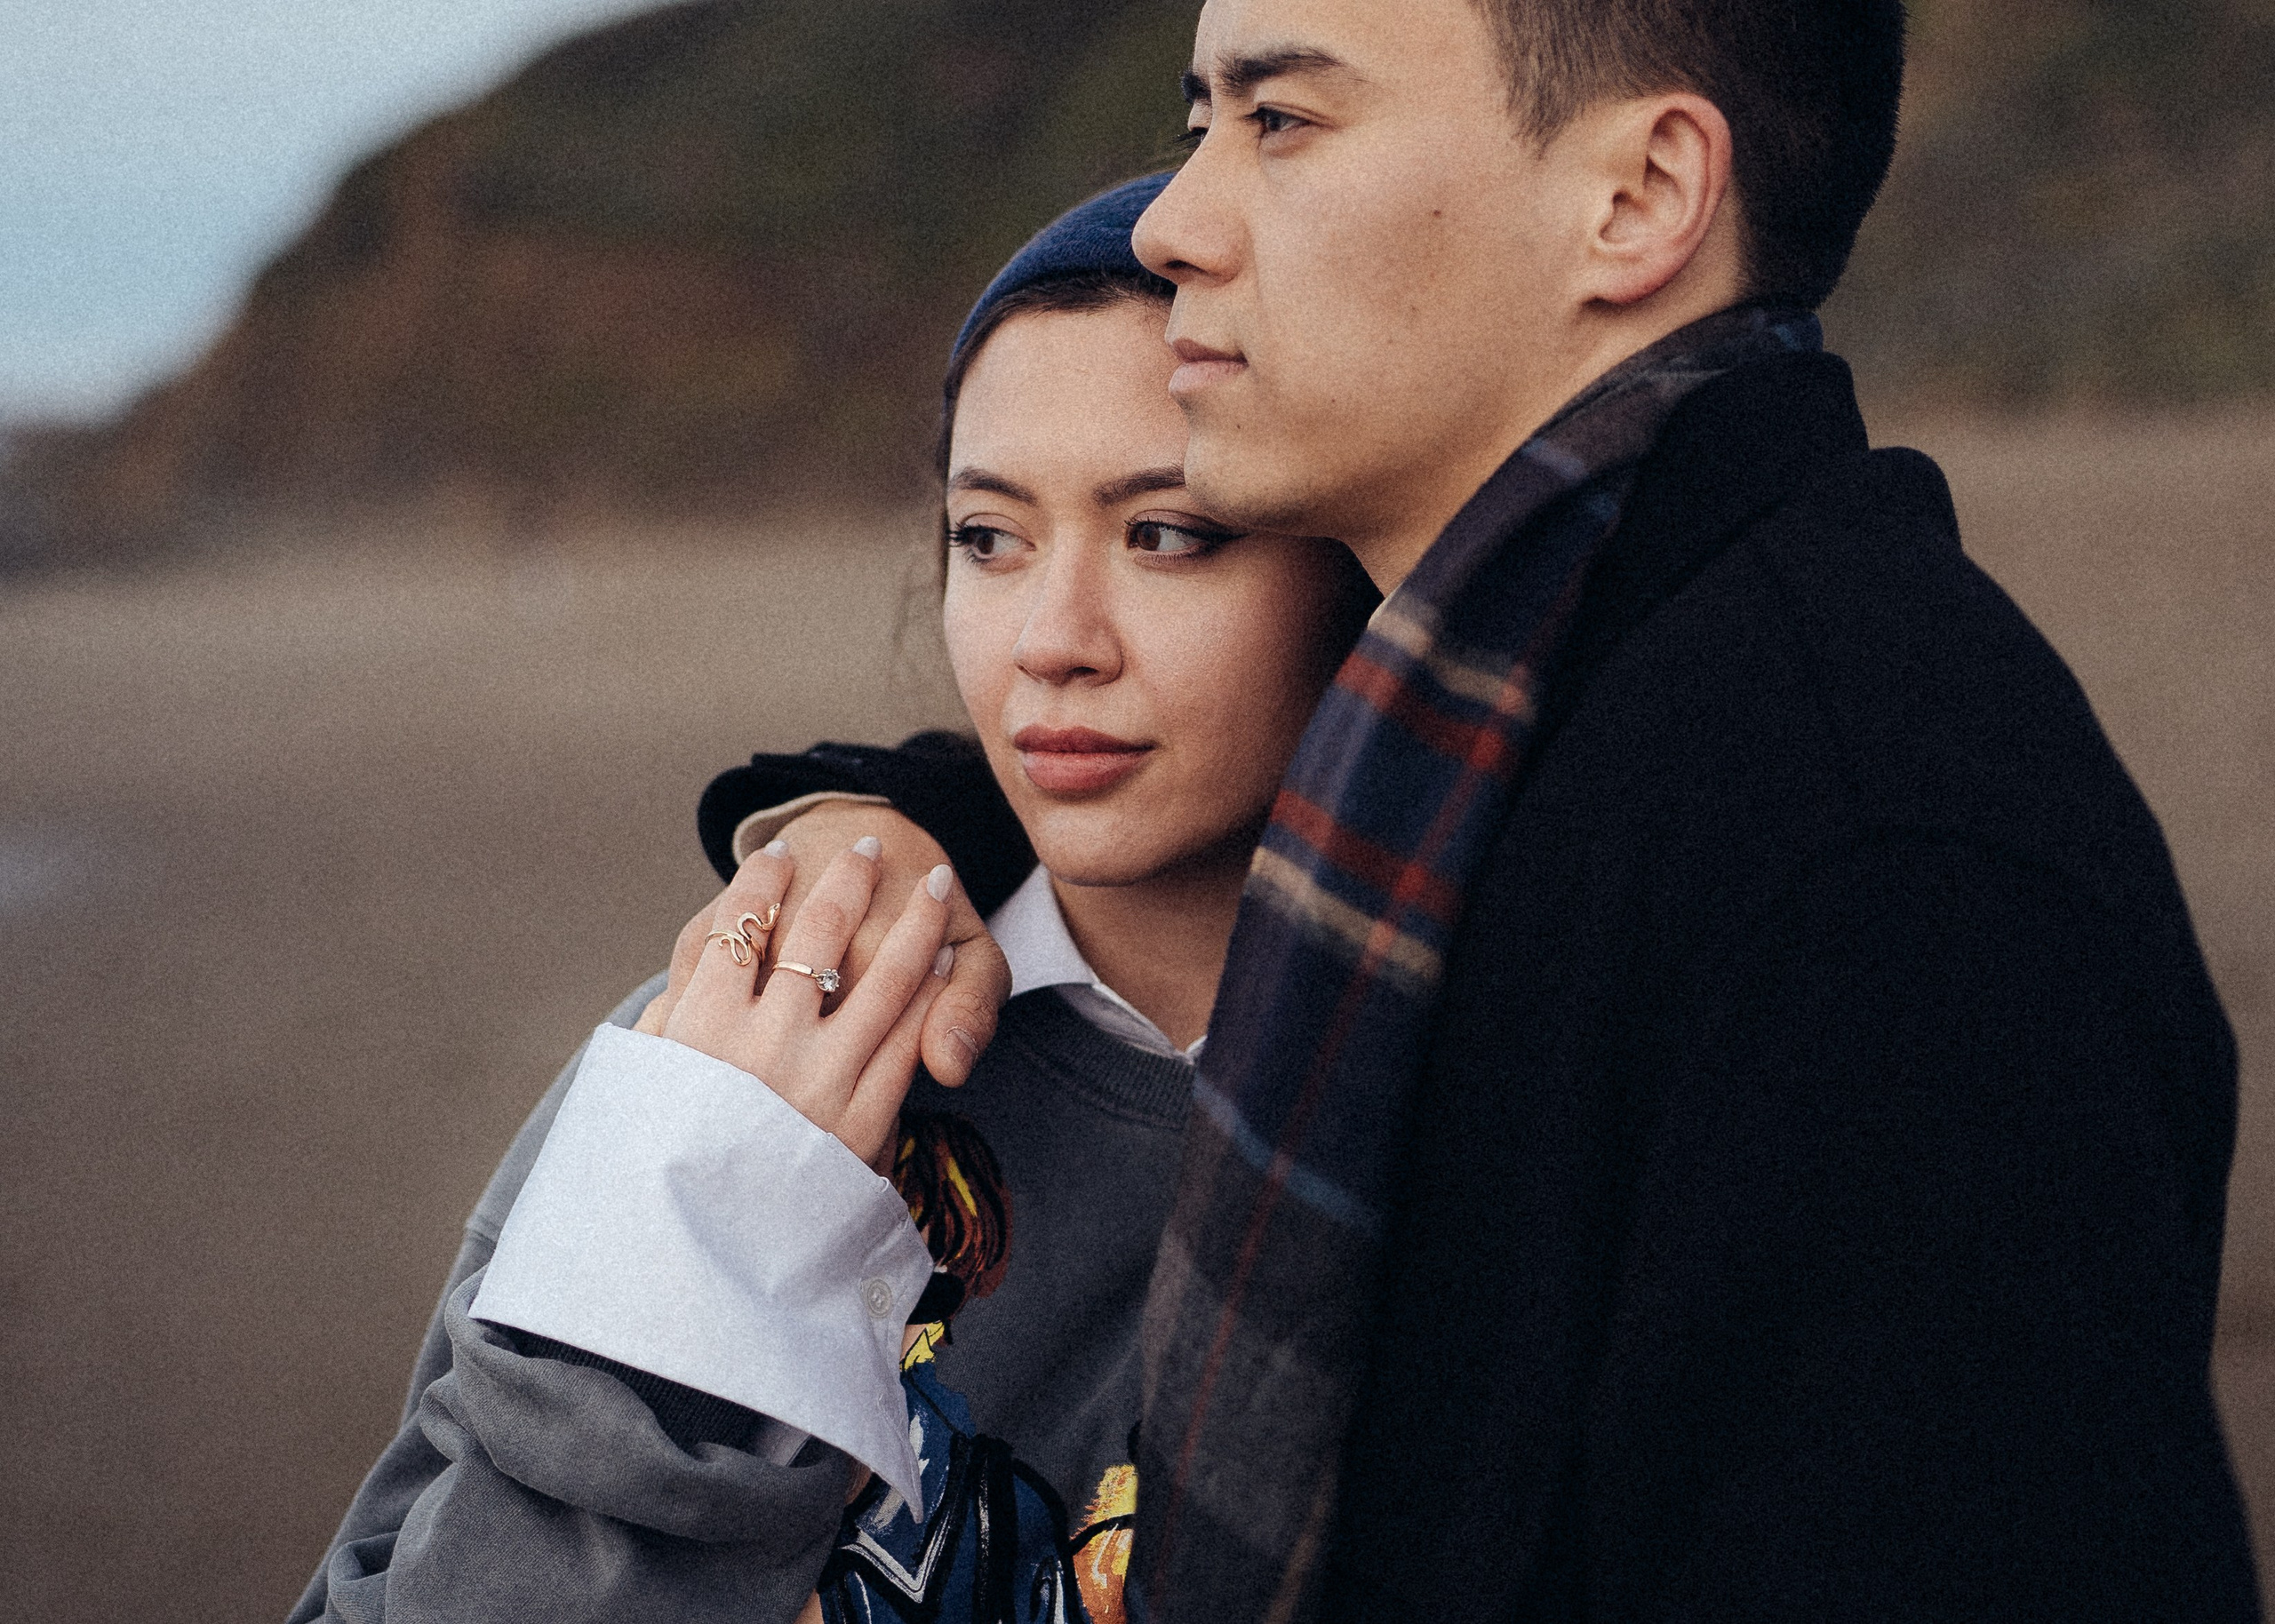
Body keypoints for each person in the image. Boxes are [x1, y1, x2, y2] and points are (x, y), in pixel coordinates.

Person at [731, 0, 2261, 1618]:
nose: (1175, 224)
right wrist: (890, 819)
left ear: (1639, 196)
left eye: (1284, 121)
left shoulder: (1876, 880)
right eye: (1200, 121)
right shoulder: (1510, 732)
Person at [287, 175, 1376, 1623]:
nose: (1051, 642)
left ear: (1362, 571)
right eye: (989, 538)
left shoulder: (1488, 1103)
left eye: (1166, 534)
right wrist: (703, 1226)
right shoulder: (734, 1048)